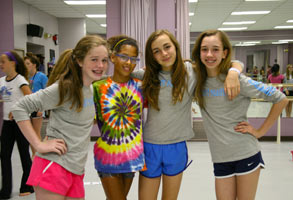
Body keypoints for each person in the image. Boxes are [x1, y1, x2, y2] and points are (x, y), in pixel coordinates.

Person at [138, 29, 243, 200]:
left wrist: (234, 73)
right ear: (152, 56)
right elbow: (115, 79)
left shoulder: (192, 72)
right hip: (150, 146)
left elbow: (234, 62)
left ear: (176, 47)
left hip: (177, 146)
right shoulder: (145, 75)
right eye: (156, 51)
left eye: (167, 47)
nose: (164, 53)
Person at [192, 29, 288, 200]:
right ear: (199, 52)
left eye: (215, 49)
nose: (209, 54)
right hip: (220, 158)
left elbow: (281, 99)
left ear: (224, 53)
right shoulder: (197, 80)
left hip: (245, 154)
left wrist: (260, 131)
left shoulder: (239, 81)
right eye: (204, 49)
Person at [11, 35, 109, 200]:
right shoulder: (64, 88)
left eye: (104, 60)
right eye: (94, 59)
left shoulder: (90, 88)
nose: (100, 65)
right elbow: (19, 107)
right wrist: (38, 145)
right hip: (54, 166)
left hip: (76, 169)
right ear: (79, 61)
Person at [93, 35, 145, 200]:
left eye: (133, 59)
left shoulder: (141, 86)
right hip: (108, 157)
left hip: (132, 157)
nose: (128, 62)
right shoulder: (97, 88)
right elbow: (84, 119)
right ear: (113, 57)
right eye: (124, 57)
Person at [0, 50, 34, 199]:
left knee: (24, 155)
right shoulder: (1, 81)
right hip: (7, 123)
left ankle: (27, 185)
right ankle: (6, 189)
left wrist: (18, 109)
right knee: (4, 155)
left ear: (12, 63)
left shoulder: (20, 80)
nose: (1, 65)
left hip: (21, 123)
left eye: (3, 62)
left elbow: (31, 98)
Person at [24, 52, 48, 157]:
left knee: (36, 133)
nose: (26, 66)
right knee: (30, 135)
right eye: (25, 64)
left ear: (34, 65)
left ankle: (38, 155)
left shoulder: (41, 76)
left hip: (38, 108)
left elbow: (47, 93)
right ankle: (34, 155)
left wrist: (42, 109)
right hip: (28, 108)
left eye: (28, 63)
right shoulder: (25, 78)